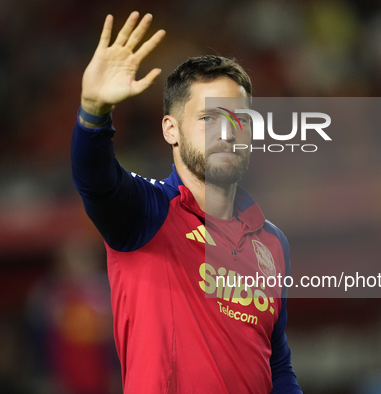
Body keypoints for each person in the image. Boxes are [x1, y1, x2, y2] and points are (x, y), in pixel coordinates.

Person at [71, 11, 302, 393]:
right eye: (209, 118)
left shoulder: (273, 242)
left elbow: (276, 362)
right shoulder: (148, 213)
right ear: (171, 129)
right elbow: (96, 180)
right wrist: (94, 113)